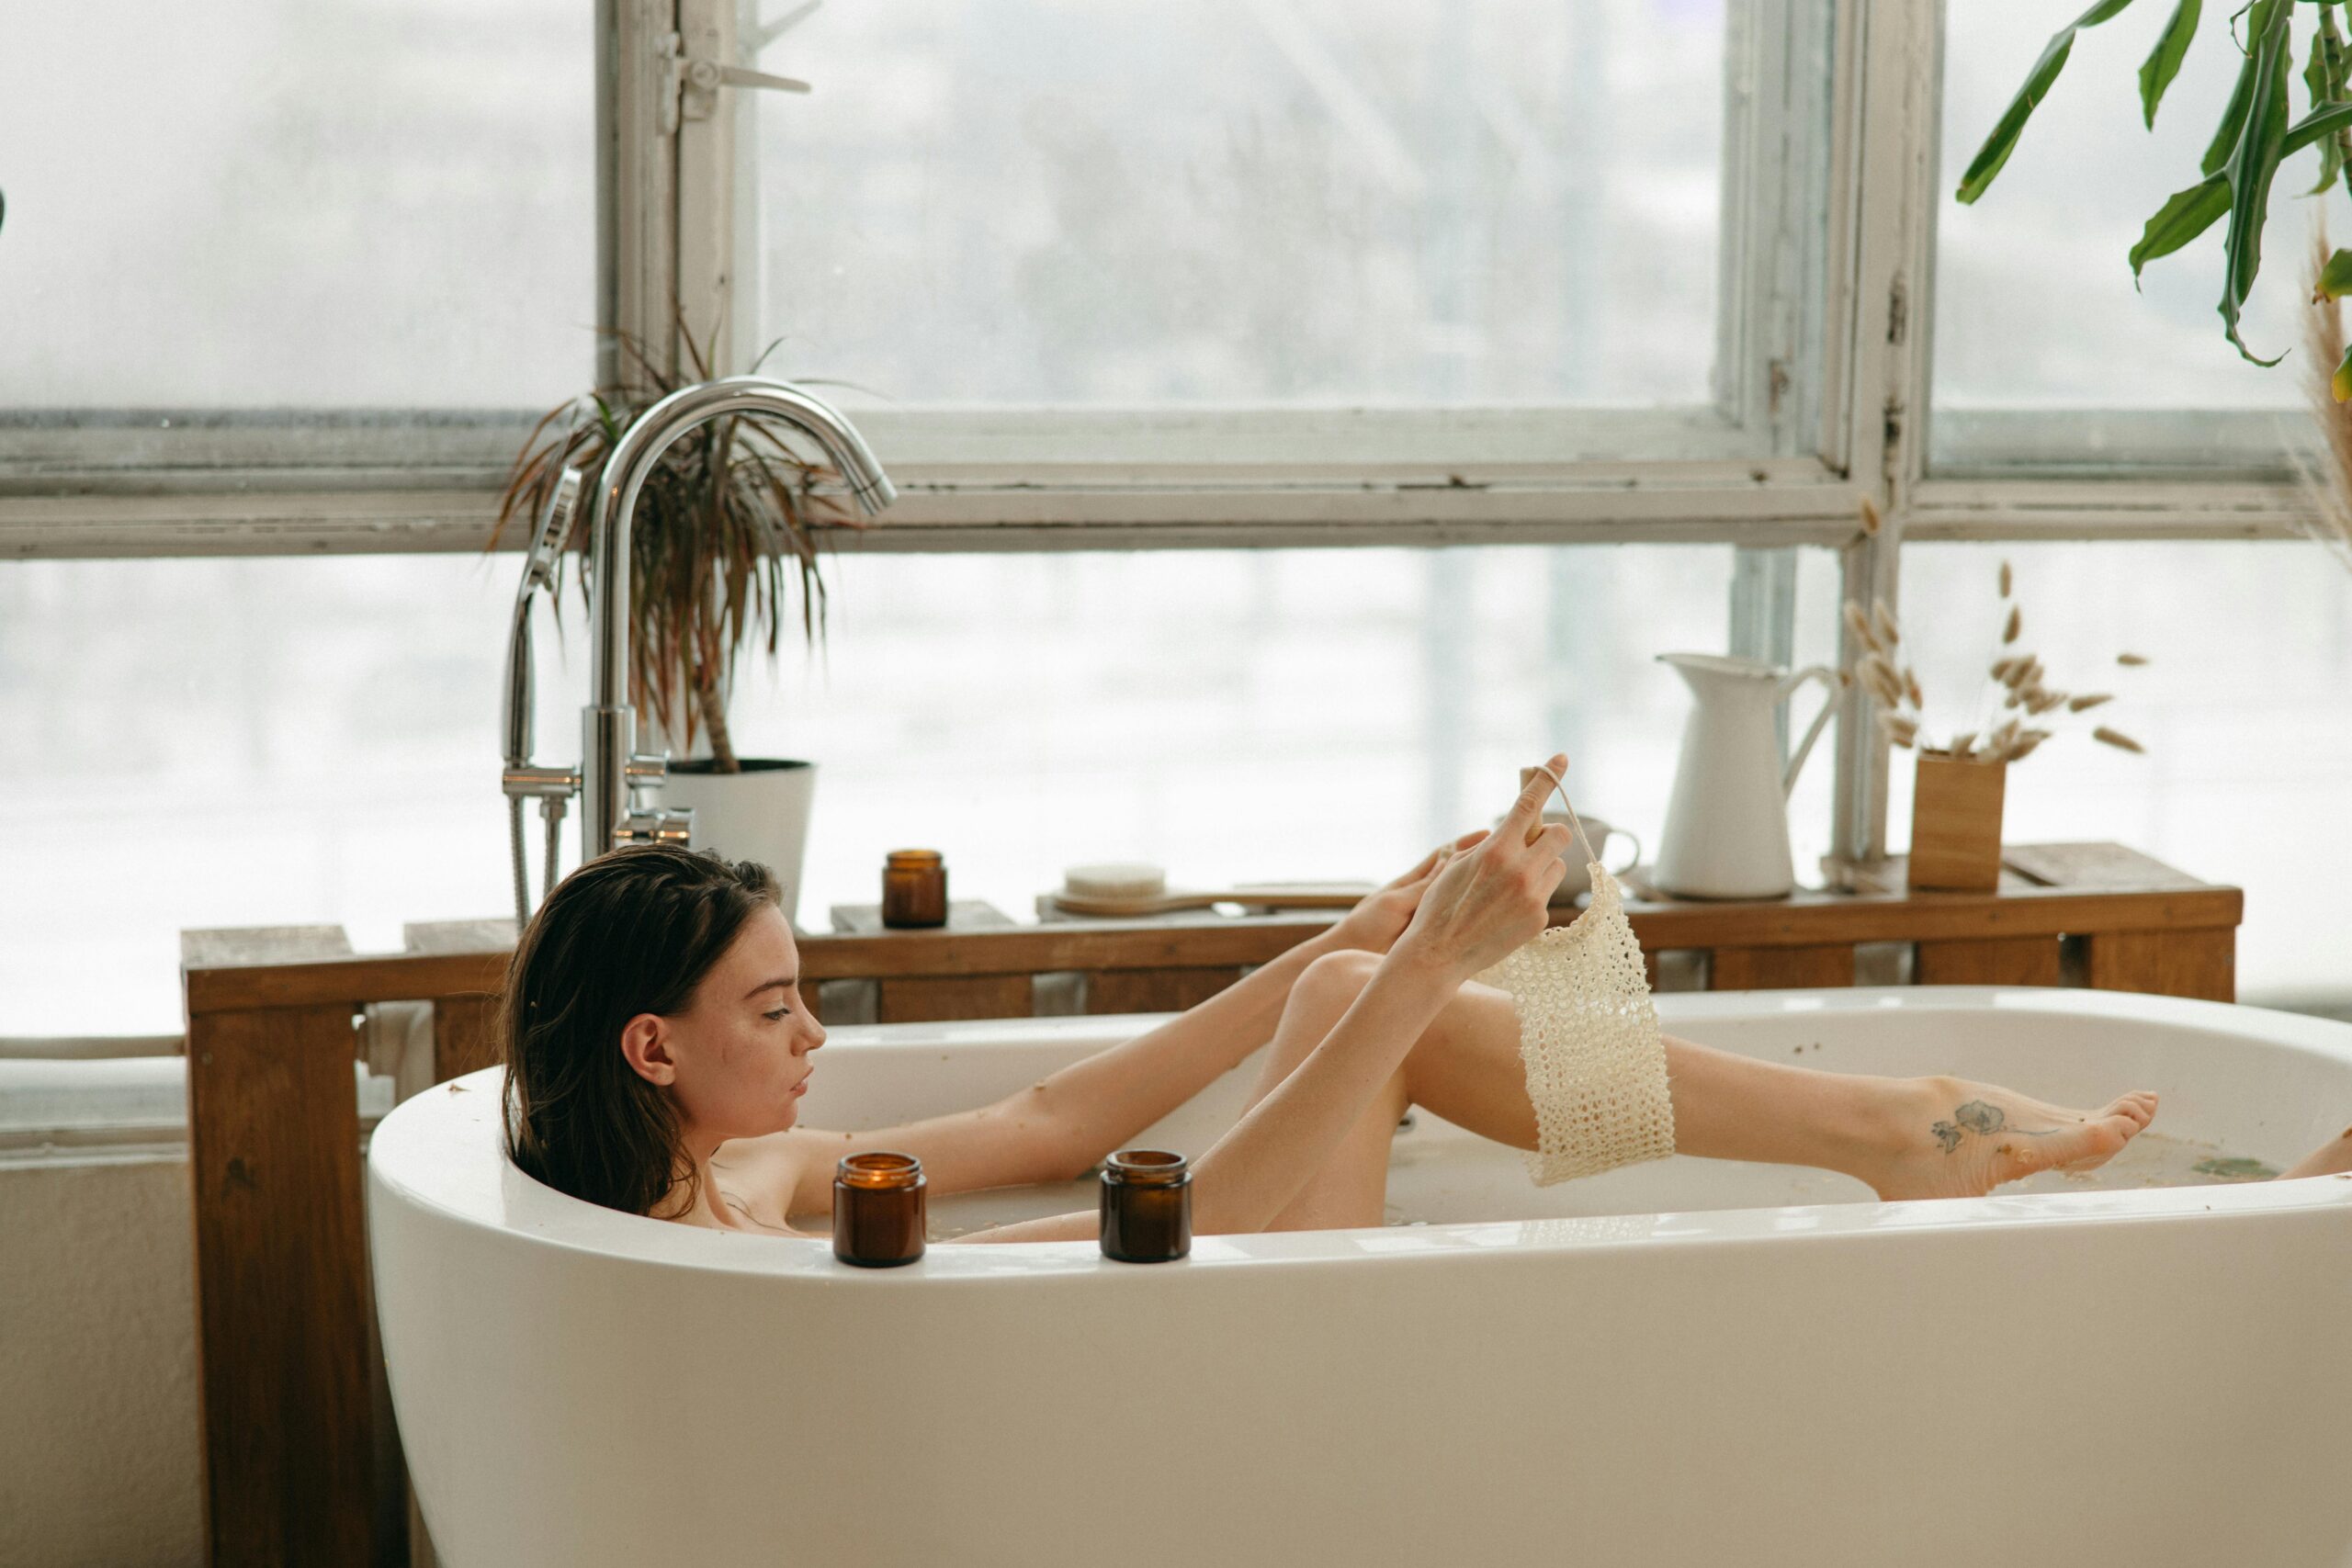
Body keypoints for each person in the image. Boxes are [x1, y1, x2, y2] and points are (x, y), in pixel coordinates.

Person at [503, 755, 2168, 1240]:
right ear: (653, 1046)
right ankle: (1886, 1131)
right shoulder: (717, 1237)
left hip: (1202, 1311)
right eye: (777, 1011)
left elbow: (1044, 1120)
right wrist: (1434, 953)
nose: (815, 1041)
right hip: (1198, 1372)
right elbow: (1190, 1221)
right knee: (1399, 986)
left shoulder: (748, 1176)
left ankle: (1884, 1133)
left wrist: (1351, 937)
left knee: (1367, 983)